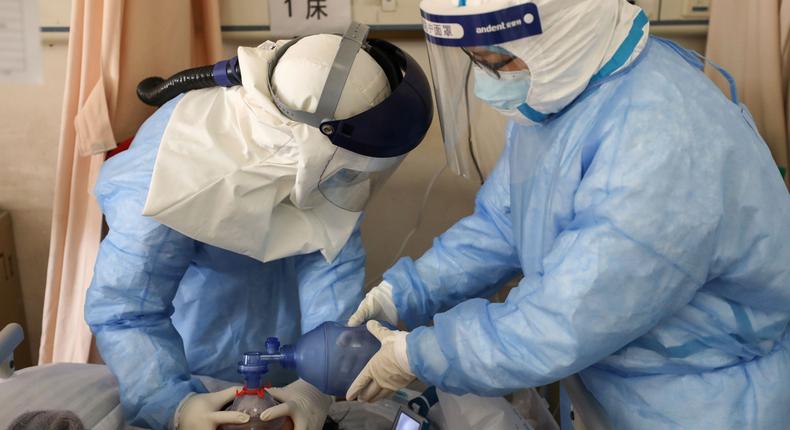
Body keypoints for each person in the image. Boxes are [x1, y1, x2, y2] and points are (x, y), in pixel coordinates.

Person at [346, 0, 790, 428]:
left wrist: (418, 355)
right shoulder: (566, 96)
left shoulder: (661, 143)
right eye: (473, 60)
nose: (485, 81)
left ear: (563, 30)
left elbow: (558, 324)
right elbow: (503, 225)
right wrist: (401, 295)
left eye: (495, 62)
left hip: (702, 406)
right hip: (618, 387)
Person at [85, 23, 432, 430]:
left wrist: (316, 385)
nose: (354, 180)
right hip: (194, 370)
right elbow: (126, 309)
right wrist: (172, 404)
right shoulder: (169, 170)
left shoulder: (325, 157)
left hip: (293, 373)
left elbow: (331, 261)